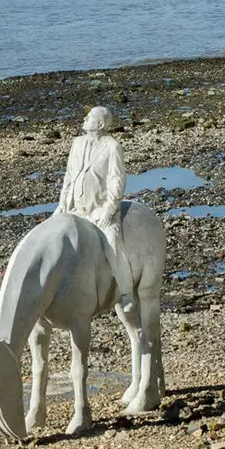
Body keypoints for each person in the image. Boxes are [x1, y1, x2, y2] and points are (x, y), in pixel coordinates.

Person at [55, 106, 135, 312]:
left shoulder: (112, 147)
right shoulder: (77, 143)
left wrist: (109, 210)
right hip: (73, 207)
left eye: (89, 118)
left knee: (113, 242)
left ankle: (126, 293)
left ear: (100, 124)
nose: (85, 119)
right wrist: (63, 204)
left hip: (99, 209)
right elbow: (69, 177)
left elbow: (117, 180)